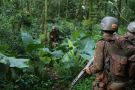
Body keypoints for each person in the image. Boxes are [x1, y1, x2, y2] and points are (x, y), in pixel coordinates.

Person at [84, 16, 128, 90]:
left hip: (106, 83)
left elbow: (98, 67)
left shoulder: (101, 43)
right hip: (121, 82)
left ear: (102, 27)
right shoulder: (122, 41)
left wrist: (89, 70)